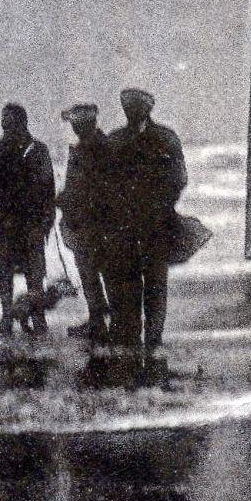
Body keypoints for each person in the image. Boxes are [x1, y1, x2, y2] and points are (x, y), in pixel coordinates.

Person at [104, 88, 188, 352]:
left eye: (136, 107)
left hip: (156, 223)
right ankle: (130, 338)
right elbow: (104, 183)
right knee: (127, 282)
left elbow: (179, 178)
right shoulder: (114, 141)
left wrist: (162, 205)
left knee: (155, 282)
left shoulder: (165, 138)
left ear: (147, 109)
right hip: (123, 226)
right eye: (127, 106)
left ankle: (153, 337)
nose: (131, 111)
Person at [0, 103, 57, 338]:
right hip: (4, 226)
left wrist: (45, 224)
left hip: (31, 226)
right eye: (5, 122)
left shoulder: (38, 150)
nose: (8, 127)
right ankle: (6, 315)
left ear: (23, 123)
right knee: (5, 274)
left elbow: (48, 191)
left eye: (11, 122)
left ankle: (37, 316)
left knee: (35, 276)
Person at [58, 103, 113, 342]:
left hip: (94, 224)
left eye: (76, 123)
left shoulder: (95, 149)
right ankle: (99, 321)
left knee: (95, 273)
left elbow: (93, 188)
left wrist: (66, 200)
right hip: (89, 222)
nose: (74, 127)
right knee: (94, 274)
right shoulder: (96, 147)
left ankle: (100, 323)